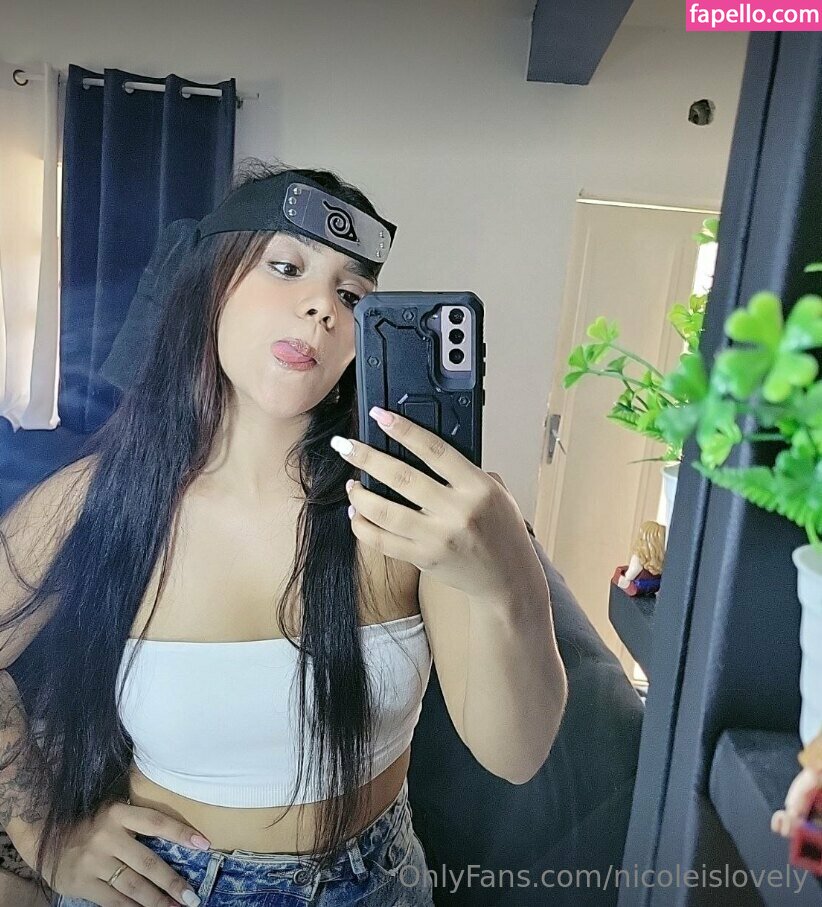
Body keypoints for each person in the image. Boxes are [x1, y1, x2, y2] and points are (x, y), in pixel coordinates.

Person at [0, 160, 567, 907]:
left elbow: (518, 754)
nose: (322, 308)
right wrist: (45, 835)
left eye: (350, 294)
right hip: (163, 888)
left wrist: (510, 582)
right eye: (287, 267)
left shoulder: (401, 509)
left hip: (376, 885)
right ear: (213, 284)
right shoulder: (97, 499)